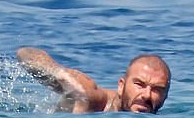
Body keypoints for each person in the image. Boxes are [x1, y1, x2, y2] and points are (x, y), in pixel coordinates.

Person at [17, 47, 171, 114]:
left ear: (166, 97)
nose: (147, 95)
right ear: (121, 86)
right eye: (139, 84)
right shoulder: (90, 97)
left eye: (157, 89)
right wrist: (60, 75)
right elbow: (25, 54)